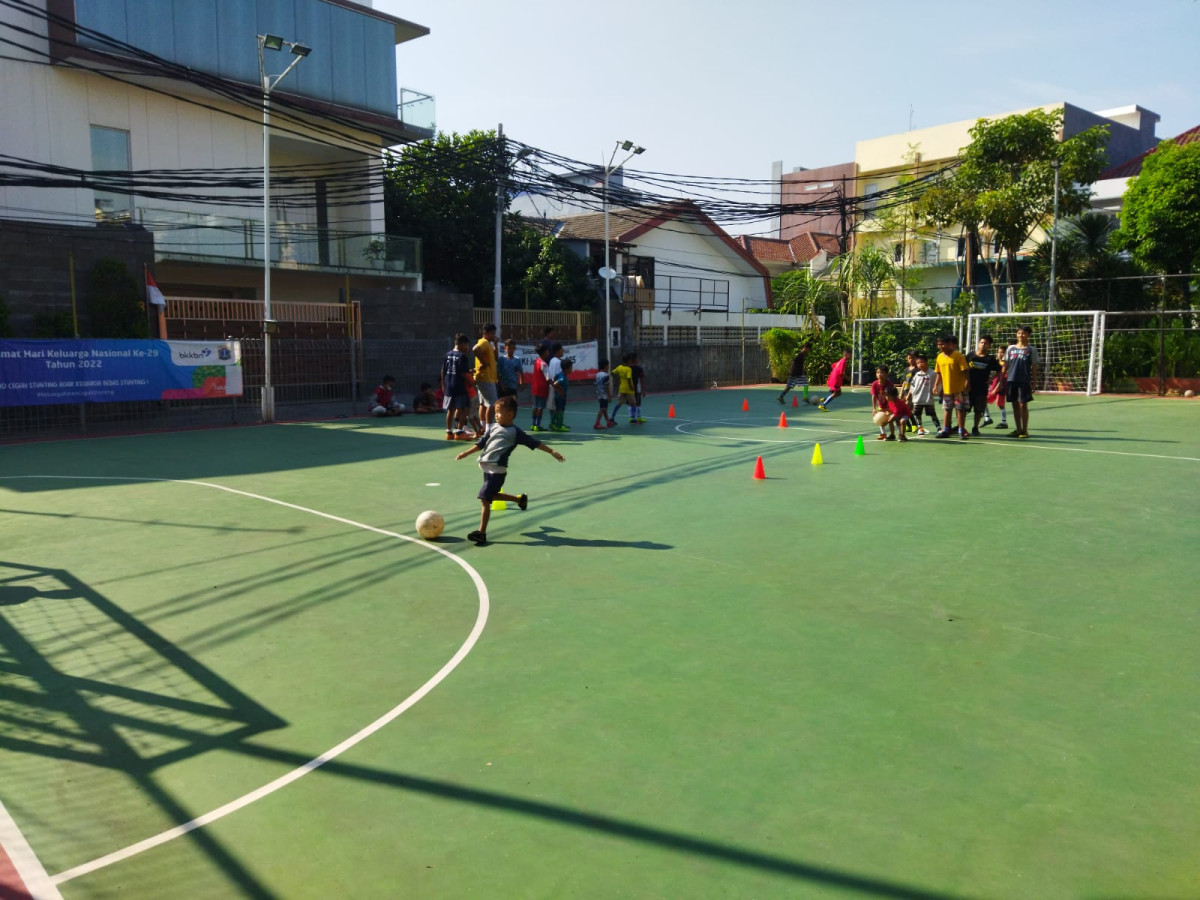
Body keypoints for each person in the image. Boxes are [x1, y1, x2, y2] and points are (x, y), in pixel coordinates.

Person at [455, 395, 565, 546]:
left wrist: (552, 451)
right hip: (487, 469)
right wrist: (466, 453)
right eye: (496, 412)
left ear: (510, 414)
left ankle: (481, 533)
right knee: (492, 496)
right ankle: (520, 500)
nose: (496, 415)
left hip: (497, 471)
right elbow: (481, 443)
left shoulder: (515, 432)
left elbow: (534, 443)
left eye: (499, 412)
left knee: (485, 499)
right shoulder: (493, 427)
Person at [1002, 325, 1039, 438]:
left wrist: (1034, 382)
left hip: (1024, 381)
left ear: (1028, 335)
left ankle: (1024, 430)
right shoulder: (1010, 348)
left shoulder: (1031, 350)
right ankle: (1018, 429)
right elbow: (1005, 365)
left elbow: (1034, 367)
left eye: (1023, 333)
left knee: (1023, 405)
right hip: (1011, 380)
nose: (1020, 335)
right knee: (1015, 406)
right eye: (1019, 333)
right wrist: (1000, 380)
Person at [933, 333, 970, 440]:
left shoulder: (958, 355)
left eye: (942, 344)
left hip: (959, 389)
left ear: (949, 344)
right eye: (938, 344)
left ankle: (961, 430)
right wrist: (936, 385)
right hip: (947, 389)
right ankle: (945, 430)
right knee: (947, 409)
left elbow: (965, 370)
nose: (940, 346)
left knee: (960, 409)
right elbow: (939, 373)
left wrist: (967, 382)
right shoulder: (939, 357)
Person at [965, 334, 1002, 436]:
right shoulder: (970, 355)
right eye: (981, 342)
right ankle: (961, 427)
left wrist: (991, 378)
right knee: (964, 409)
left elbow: (1000, 370)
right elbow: (963, 368)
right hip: (968, 387)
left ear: (989, 346)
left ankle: (975, 427)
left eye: (986, 343)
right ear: (978, 343)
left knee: (978, 410)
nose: (983, 345)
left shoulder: (990, 359)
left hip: (981, 388)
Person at [441, 333, 472, 440]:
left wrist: (443, 385)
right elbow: (463, 373)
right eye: (467, 345)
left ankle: (449, 432)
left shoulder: (448, 354)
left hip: (449, 386)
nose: (467, 347)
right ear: (462, 344)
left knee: (451, 409)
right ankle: (459, 432)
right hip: (459, 386)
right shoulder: (462, 356)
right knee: (465, 408)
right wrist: (472, 382)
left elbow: (443, 371)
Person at [473, 323, 500, 426]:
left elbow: (496, 358)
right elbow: (475, 349)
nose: (494, 336)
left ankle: (483, 426)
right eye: (492, 333)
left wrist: (495, 345)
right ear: (485, 333)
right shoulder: (483, 342)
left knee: (483, 404)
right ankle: (488, 427)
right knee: (492, 404)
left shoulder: (488, 344)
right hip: (486, 378)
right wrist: (484, 362)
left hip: (485, 378)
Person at [908, 354, 937, 436]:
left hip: (928, 399)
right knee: (917, 414)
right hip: (918, 399)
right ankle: (920, 427)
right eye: (918, 363)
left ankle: (938, 428)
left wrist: (937, 391)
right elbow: (912, 385)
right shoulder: (917, 374)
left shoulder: (932, 373)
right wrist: (910, 394)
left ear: (927, 362)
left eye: (922, 362)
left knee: (932, 414)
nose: (920, 364)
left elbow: (937, 383)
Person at [989, 340, 1015, 429]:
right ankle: (987, 418)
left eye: (1002, 352)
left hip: (1001, 386)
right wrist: (990, 379)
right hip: (994, 384)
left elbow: (1003, 377)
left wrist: (996, 388)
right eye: (999, 352)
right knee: (983, 399)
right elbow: (996, 373)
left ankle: (1004, 422)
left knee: (1000, 404)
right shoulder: (996, 363)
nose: (1000, 354)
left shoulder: (1007, 365)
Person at [529, 344, 551, 432]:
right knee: (540, 407)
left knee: (535, 406)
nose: (548, 352)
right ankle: (538, 425)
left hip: (535, 387)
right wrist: (555, 386)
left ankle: (533, 424)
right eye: (547, 350)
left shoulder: (537, 361)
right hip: (542, 388)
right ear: (544, 352)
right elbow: (548, 378)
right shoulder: (544, 364)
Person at [610, 353, 635, 424]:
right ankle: (633, 419)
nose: (631, 361)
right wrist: (631, 387)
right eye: (630, 360)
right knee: (633, 404)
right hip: (628, 389)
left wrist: (617, 379)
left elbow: (612, 373)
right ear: (628, 361)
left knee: (619, 404)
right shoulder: (628, 369)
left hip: (621, 389)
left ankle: (612, 418)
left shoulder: (620, 367)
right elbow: (629, 378)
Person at [869, 366, 893, 439]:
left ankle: (892, 434)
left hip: (890, 405)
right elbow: (873, 396)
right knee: (880, 418)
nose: (879, 374)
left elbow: (892, 397)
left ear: (886, 374)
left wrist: (889, 409)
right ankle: (883, 433)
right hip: (881, 405)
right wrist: (874, 408)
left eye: (881, 372)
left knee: (890, 419)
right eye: (878, 372)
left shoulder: (889, 384)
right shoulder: (874, 384)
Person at [549, 359, 573, 431]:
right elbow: (555, 383)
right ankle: (559, 426)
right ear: (566, 369)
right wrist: (561, 390)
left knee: (557, 410)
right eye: (571, 367)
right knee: (561, 411)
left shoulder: (562, 374)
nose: (572, 369)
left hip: (559, 396)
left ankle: (553, 424)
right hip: (560, 397)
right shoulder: (562, 377)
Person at [497, 338, 523, 402]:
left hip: (513, 387)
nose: (511, 350)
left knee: (512, 404)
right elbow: (497, 373)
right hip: (503, 388)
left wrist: (521, 383)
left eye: (513, 348)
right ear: (505, 348)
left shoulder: (517, 360)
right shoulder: (501, 359)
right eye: (509, 348)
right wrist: (501, 384)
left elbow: (521, 373)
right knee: (502, 404)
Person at [899, 350, 919, 431]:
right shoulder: (907, 369)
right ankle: (908, 425)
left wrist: (909, 394)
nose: (911, 360)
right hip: (905, 391)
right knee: (902, 408)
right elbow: (904, 382)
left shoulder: (917, 370)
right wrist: (901, 392)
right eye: (909, 358)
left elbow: (914, 383)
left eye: (913, 358)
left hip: (912, 393)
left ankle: (914, 424)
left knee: (907, 408)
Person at [594, 358, 613, 429]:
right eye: (608, 366)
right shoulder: (605, 375)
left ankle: (608, 422)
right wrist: (609, 395)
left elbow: (595, 384)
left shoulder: (597, 374)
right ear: (605, 366)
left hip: (599, 394)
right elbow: (607, 386)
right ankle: (597, 423)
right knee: (602, 409)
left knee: (604, 408)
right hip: (604, 394)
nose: (608, 367)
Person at [630, 353, 647, 423]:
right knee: (638, 402)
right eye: (637, 358)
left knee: (632, 402)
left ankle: (632, 417)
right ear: (635, 359)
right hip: (636, 387)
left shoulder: (628, 368)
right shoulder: (639, 369)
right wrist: (643, 390)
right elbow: (642, 379)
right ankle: (638, 417)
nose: (638, 360)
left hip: (630, 387)